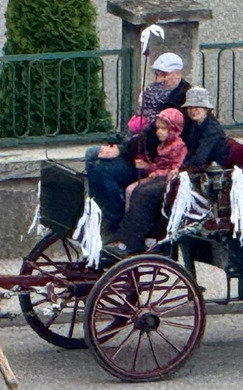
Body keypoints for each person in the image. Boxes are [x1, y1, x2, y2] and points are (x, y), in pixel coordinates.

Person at [85, 52, 190, 232]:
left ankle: (114, 217)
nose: (159, 79)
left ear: (177, 73)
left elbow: (153, 134)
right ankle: (99, 206)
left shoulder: (182, 99)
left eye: (163, 75)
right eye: (157, 74)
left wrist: (122, 150)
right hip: (139, 150)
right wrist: (118, 144)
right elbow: (140, 127)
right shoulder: (153, 93)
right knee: (91, 154)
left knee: (99, 167)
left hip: (153, 161)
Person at [110, 87, 223, 254]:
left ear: (207, 108)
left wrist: (180, 169)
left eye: (197, 107)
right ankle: (135, 239)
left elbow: (199, 159)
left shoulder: (212, 130)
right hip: (183, 172)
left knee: (146, 193)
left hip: (200, 177)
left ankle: (132, 243)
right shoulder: (192, 126)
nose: (193, 111)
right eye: (190, 107)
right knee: (141, 188)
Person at [107, 108, 187, 254]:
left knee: (140, 193)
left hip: (168, 181)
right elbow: (158, 165)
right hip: (158, 177)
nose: (159, 132)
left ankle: (136, 239)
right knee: (131, 189)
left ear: (174, 129)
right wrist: (147, 166)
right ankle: (131, 233)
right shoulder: (162, 145)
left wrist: (154, 171)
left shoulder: (178, 146)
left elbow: (175, 168)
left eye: (164, 128)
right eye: (158, 128)